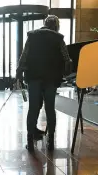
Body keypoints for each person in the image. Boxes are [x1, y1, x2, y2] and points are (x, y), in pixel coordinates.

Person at [16, 15, 72, 151]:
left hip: (33, 77)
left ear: (44, 23)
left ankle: (30, 140)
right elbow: (67, 60)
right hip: (51, 79)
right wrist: (65, 74)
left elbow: (24, 56)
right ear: (56, 26)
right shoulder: (59, 39)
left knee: (33, 108)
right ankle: (51, 140)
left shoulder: (32, 36)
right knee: (50, 108)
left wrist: (18, 73)